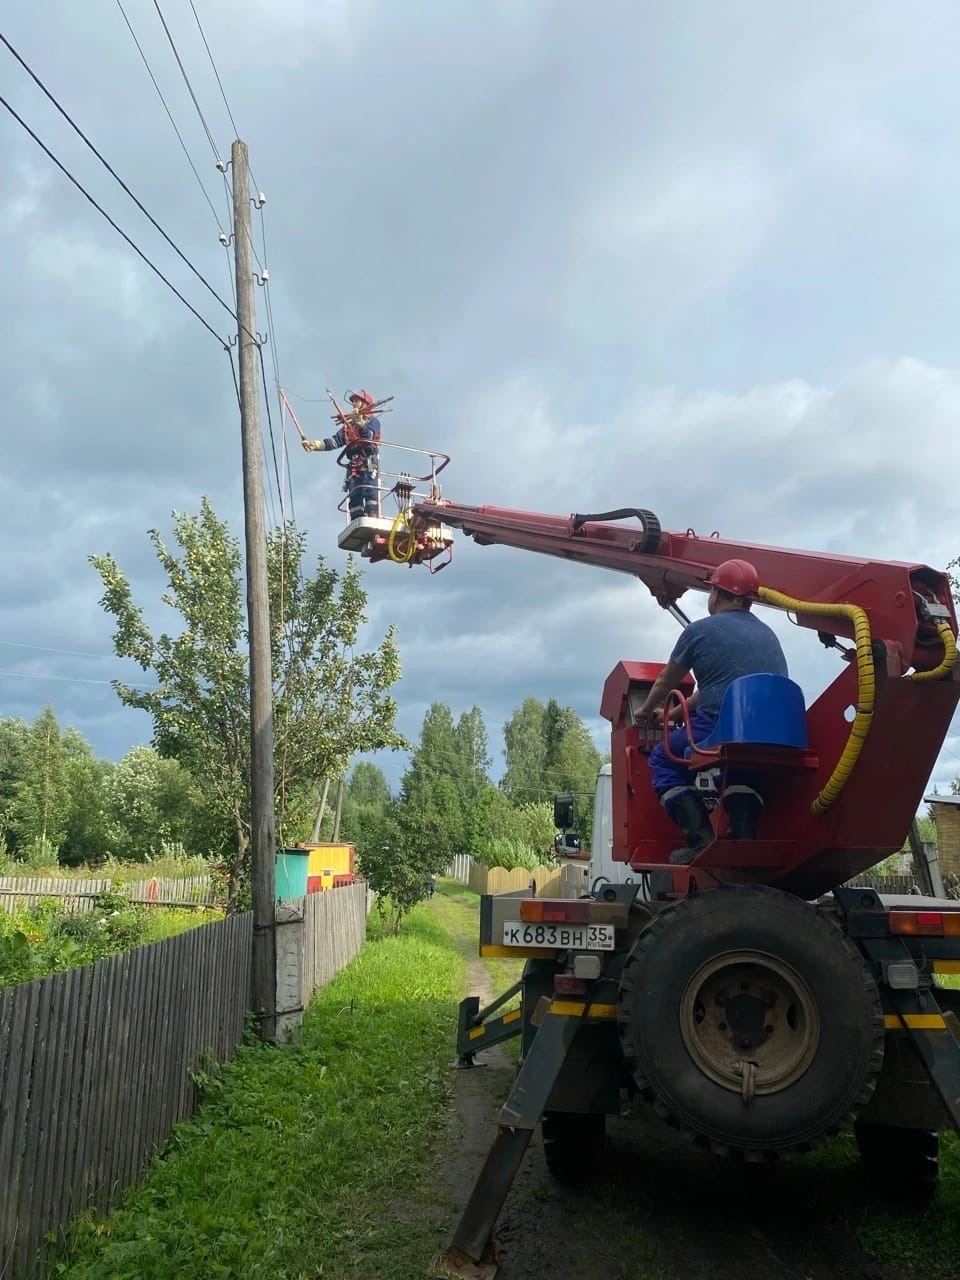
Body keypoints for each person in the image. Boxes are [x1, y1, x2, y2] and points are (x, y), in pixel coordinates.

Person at [635, 559, 788, 863]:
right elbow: (716, 685)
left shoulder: (699, 630)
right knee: (744, 765)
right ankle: (743, 833)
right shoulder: (768, 634)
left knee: (664, 759)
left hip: (724, 725)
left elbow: (667, 680)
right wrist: (676, 715)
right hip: (773, 731)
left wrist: (646, 710)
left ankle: (699, 840)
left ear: (716, 593)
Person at [302, 390, 381, 519]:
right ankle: (357, 518)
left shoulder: (372, 421)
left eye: (357, 401)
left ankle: (372, 514)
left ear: (365, 404)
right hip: (354, 464)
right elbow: (335, 441)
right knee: (355, 491)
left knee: (368, 488)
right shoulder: (348, 426)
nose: (354, 404)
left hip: (368, 460)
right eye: (353, 401)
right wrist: (315, 445)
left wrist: (361, 424)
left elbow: (369, 437)